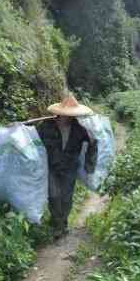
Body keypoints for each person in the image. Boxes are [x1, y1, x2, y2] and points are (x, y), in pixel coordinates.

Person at [36, 94, 97, 239]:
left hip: (70, 167)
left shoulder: (80, 129)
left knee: (66, 197)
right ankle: (58, 224)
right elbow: (32, 140)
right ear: (59, 113)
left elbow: (93, 143)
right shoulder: (45, 126)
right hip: (51, 166)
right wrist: (18, 127)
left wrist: (90, 164)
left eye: (70, 115)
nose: (67, 117)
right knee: (54, 195)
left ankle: (62, 223)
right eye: (65, 115)